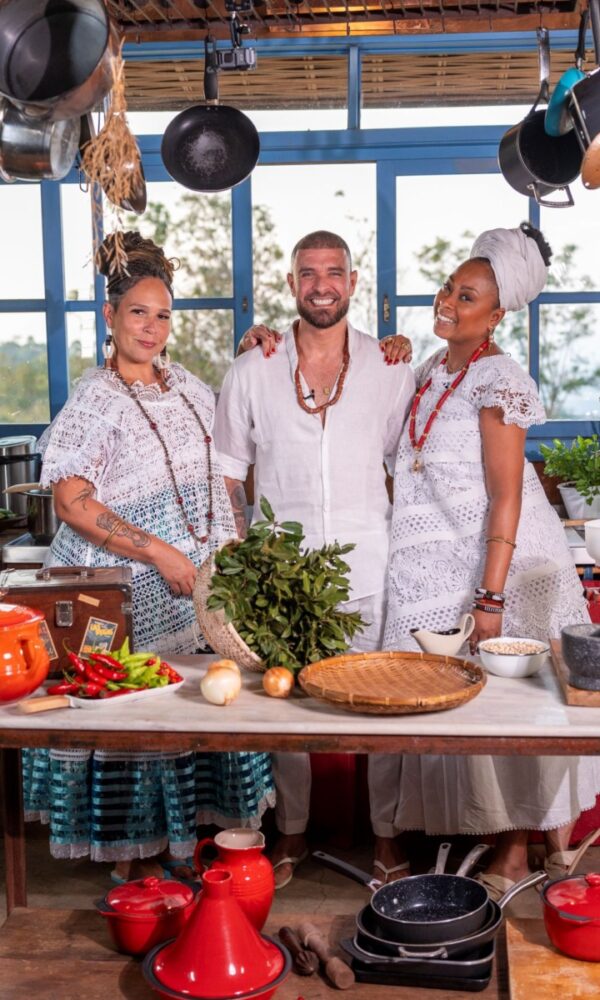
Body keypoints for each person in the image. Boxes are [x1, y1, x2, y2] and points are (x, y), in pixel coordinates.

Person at [22, 231, 274, 881]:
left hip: (196, 592)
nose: (152, 327)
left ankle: (190, 850)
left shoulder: (188, 387)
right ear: (109, 317)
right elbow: (73, 502)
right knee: (146, 717)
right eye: (138, 312)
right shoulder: (95, 400)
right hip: (131, 594)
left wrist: (236, 549)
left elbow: (221, 474)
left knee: (194, 710)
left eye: (163, 314)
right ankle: (139, 863)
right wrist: (159, 551)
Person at [383, 222, 599, 898]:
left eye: (468, 295)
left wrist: (491, 598)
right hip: (437, 563)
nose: (448, 300)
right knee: (460, 710)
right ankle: (478, 834)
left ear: (499, 313)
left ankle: (515, 851)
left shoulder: (500, 377)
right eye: (449, 286)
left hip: (502, 567)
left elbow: (507, 497)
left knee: (511, 710)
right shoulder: (430, 368)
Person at [214, 230, 415, 888]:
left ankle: (386, 840)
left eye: (334, 272)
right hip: (280, 577)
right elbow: (228, 473)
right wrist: (240, 556)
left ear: (353, 284)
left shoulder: (390, 368)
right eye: (308, 272)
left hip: (368, 564)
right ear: (292, 282)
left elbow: (403, 465)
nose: (321, 284)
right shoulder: (253, 368)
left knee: (381, 703)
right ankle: (291, 836)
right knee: (285, 710)